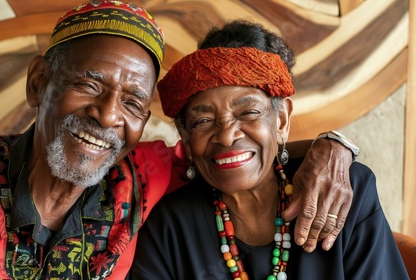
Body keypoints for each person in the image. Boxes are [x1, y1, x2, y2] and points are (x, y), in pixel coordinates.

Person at [0, 1, 356, 279]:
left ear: (144, 119)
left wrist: (331, 150)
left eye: (131, 102)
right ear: (38, 84)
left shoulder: (144, 176)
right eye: (88, 85)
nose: (107, 115)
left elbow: (231, 152)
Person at [128, 20, 408, 279]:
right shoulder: (167, 227)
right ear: (186, 139)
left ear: (282, 119)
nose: (226, 136)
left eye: (248, 112)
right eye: (203, 121)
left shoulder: (340, 190)